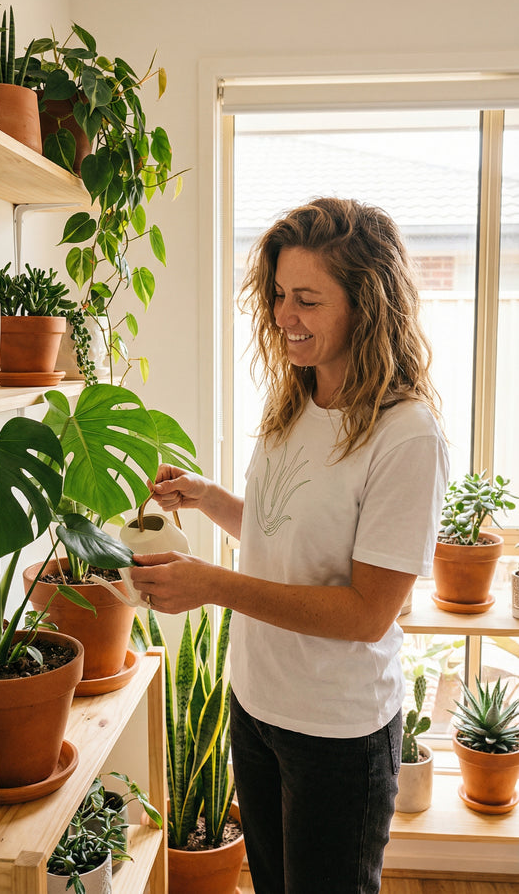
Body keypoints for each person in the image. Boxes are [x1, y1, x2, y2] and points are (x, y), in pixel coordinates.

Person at [130, 197, 449, 894]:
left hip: (336, 733)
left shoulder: (405, 436)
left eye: (307, 299)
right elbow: (287, 536)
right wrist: (209, 498)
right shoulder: (296, 399)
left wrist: (211, 585)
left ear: (367, 306)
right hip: (257, 705)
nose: (283, 316)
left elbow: (367, 612)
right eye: (278, 294)